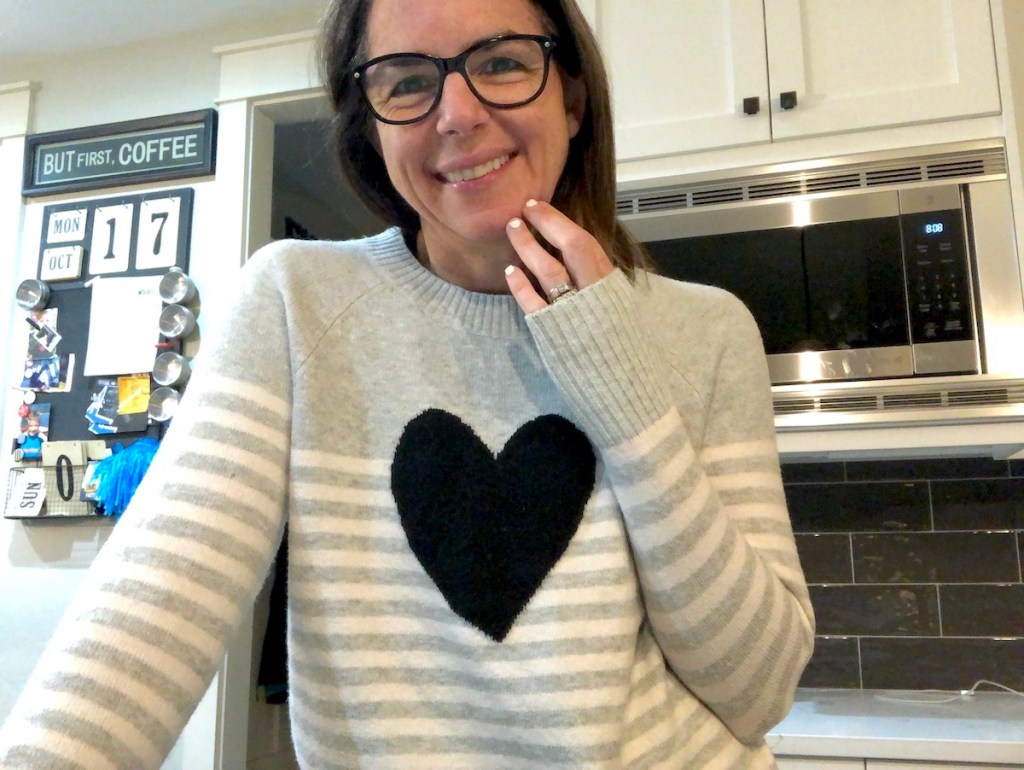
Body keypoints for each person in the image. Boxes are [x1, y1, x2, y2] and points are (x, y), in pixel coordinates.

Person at [0, 0, 815, 767]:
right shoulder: (295, 302)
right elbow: (149, 613)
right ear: (372, 128)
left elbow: (759, 688)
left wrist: (620, 384)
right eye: (408, 81)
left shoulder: (709, 331)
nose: (456, 113)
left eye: (499, 62)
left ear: (572, 97)